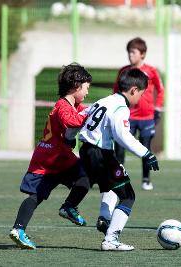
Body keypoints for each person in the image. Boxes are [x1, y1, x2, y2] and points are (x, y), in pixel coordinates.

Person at [9, 63, 92, 249]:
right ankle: (69, 206)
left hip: (46, 156)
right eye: (87, 87)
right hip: (56, 157)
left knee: (36, 196)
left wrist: (101, 107)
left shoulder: (74, 105)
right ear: (76, 86)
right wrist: (90, 116)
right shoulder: (63, 105)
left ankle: (18, 229)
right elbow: (71, 121)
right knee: (86, 177)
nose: (87, 92)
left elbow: (85, 112)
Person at [78, 68, 159, 251]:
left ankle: (104, 218)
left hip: (86, 150)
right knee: (128, 195)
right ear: (133, 90)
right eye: (141, 94)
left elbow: (82, 116)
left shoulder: (104, 100)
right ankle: (111, 239)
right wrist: (146, 153)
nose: (140, 98)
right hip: (101, 153)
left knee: (114, 184)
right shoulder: (121, 107)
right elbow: (123, 135)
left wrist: (68, 136)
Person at [113, 37, 165, 191]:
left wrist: (157, 108)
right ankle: (118, 178)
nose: (130, 55)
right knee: (120, 148)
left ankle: (146, 179)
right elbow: (116, 91)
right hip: (127, 117)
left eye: (133, 52)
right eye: (129, 52)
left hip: (147, 117)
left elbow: (161, 90)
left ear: (142, 54)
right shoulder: (124, 71)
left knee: (145, 148)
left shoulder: (151, 71)